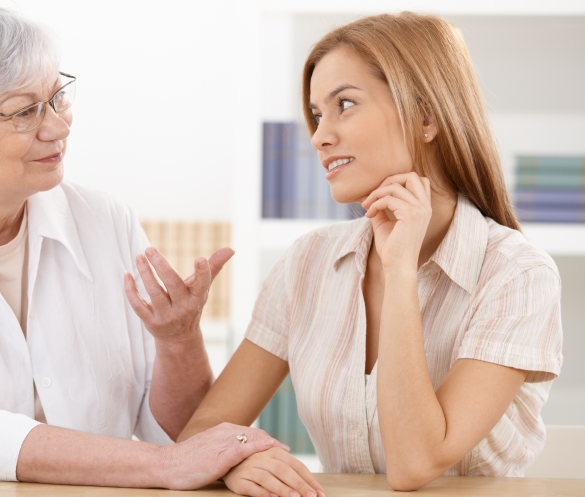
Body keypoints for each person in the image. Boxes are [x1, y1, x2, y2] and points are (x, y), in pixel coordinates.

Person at [0, 1, 285, 488]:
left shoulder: (106, 221)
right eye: (23, 112)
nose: (59, 127)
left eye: (57, 97)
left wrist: (178, 341)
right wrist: (161, 467)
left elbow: (181, 434)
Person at [179, 11, 563, 494]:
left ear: (425, 116)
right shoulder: (307, 264)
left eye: (345, 104)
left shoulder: (517, 275)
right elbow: (201, 432)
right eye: (318, 114)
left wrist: (401, 271)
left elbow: (415, 465)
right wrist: (235, 460)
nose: (319, 136)